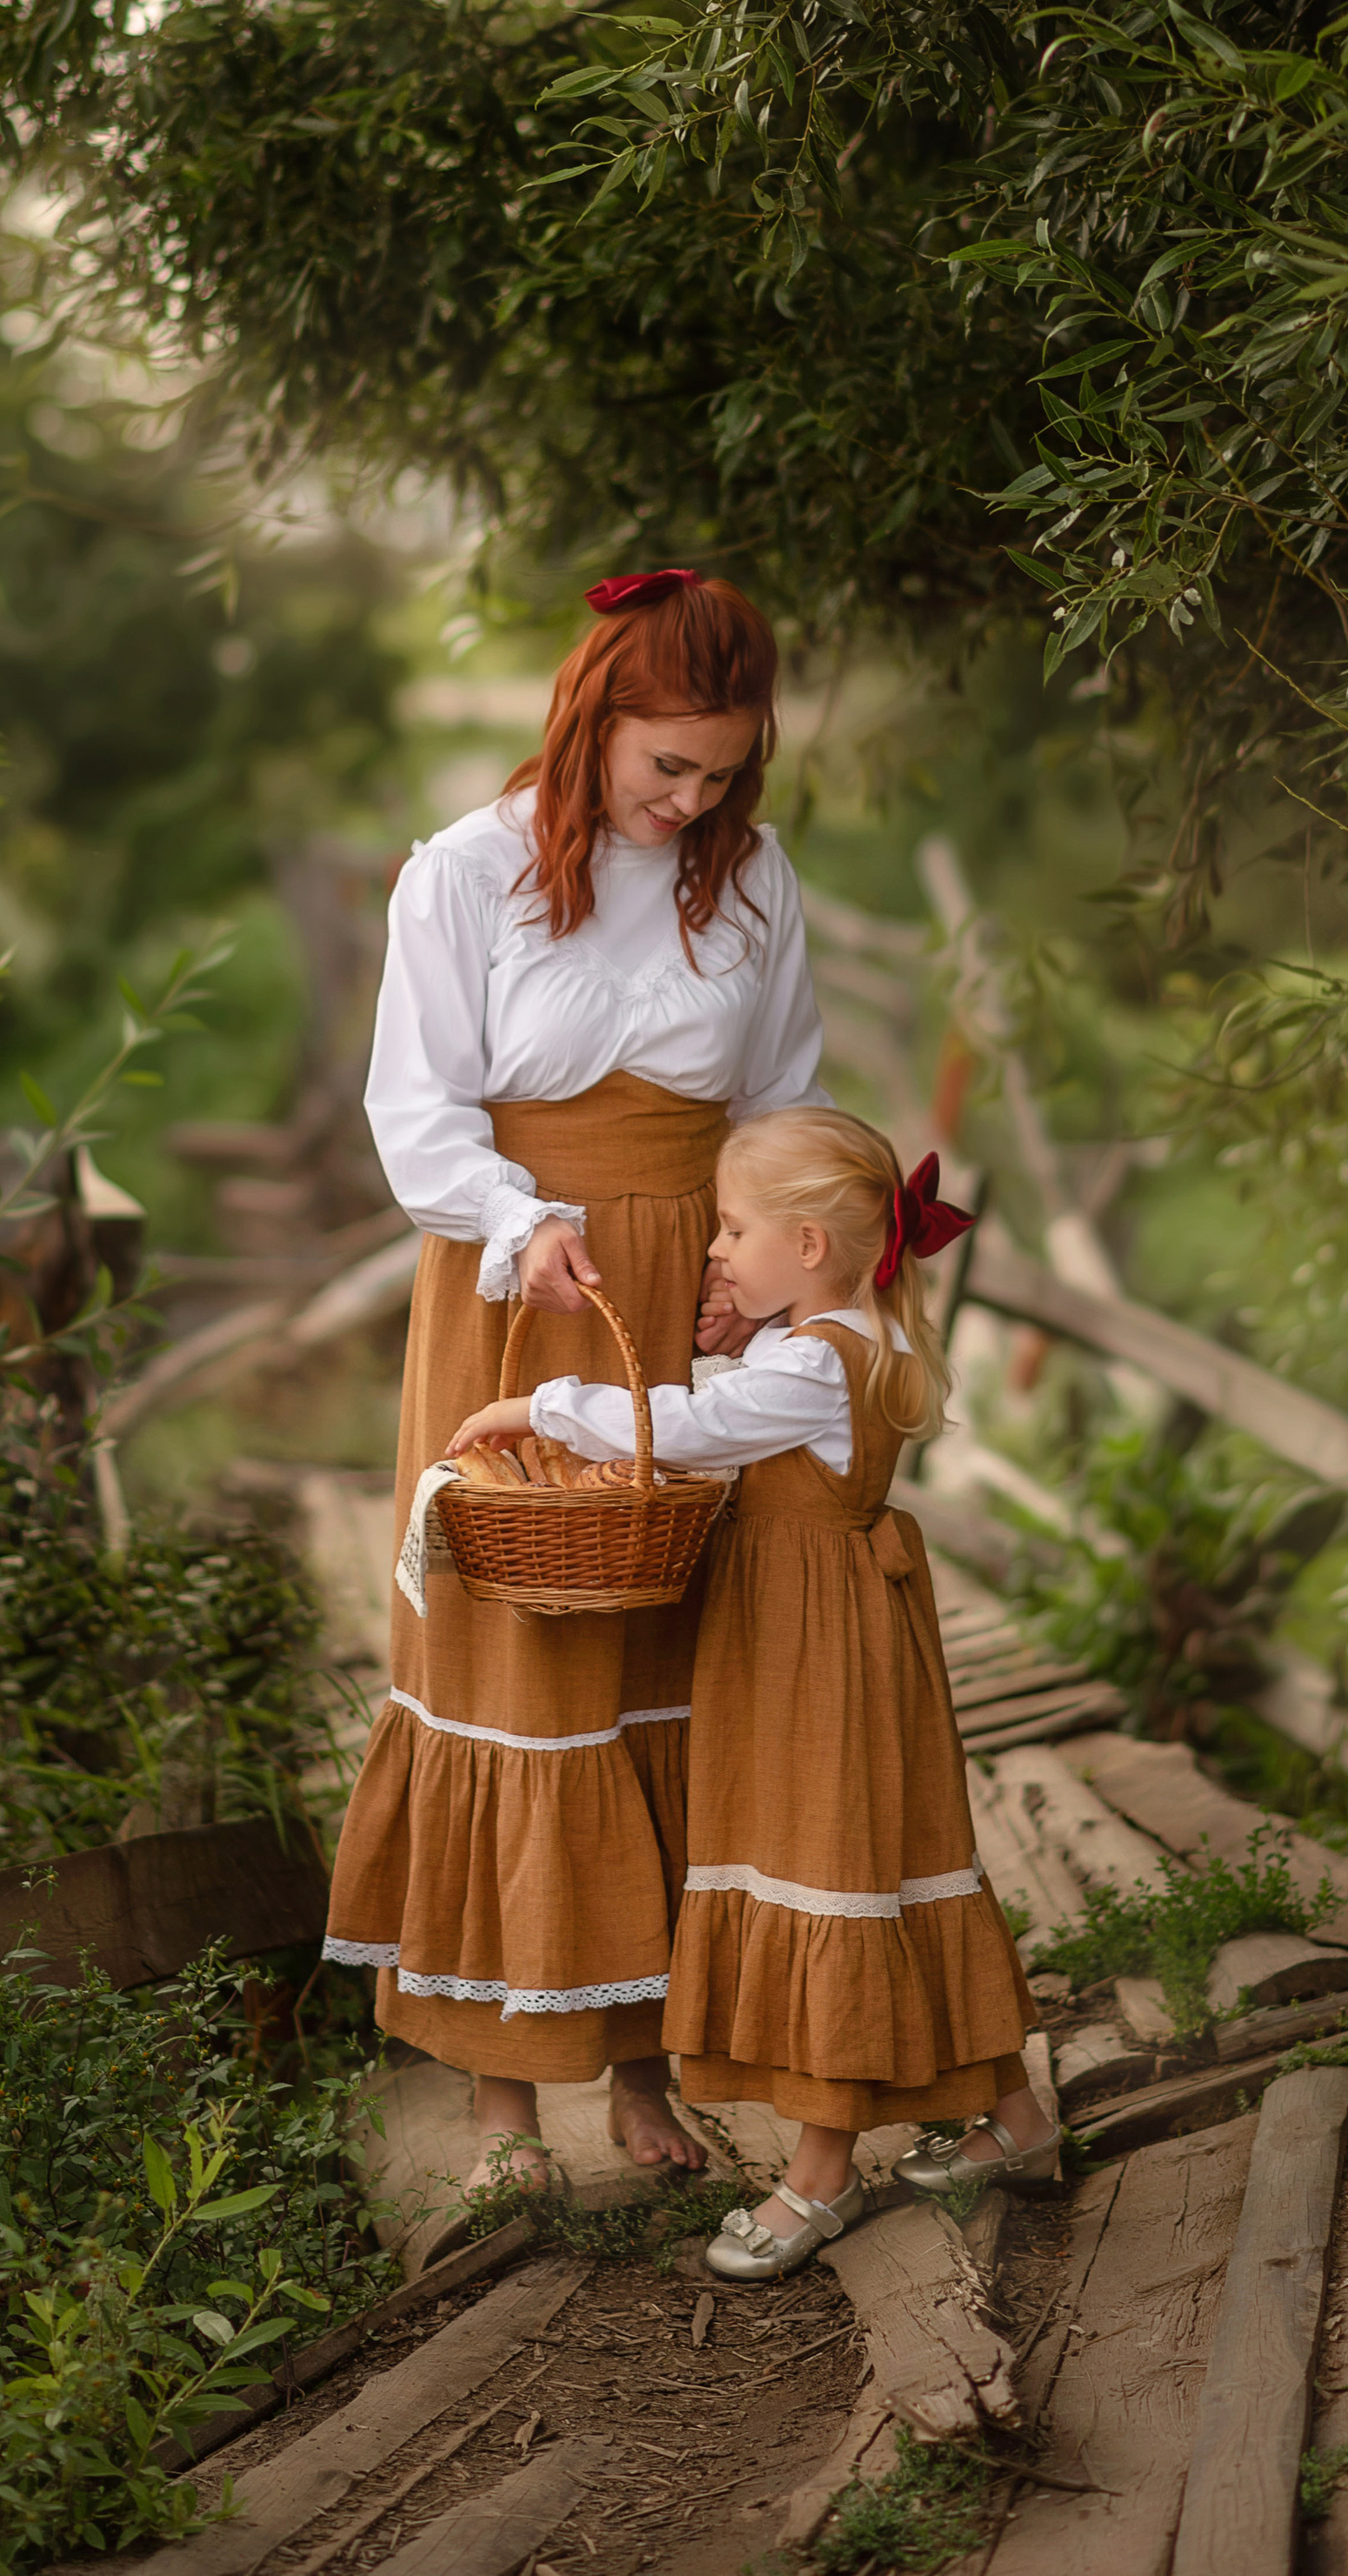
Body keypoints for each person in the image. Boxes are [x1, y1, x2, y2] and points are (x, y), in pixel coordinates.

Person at [321, 568, 826, 2196]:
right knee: (523, 1668)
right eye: (667, 765)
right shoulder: (464, 875)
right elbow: (419, 1114)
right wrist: (517, 1221)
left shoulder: (751, 883)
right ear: (594, 714)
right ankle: (498, 2115)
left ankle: (646, 2074)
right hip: (519, 1291)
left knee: (674, 1664)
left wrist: (760, 1291)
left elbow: (781, 1098)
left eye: (722, 772)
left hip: (684, 1299)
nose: (693, 800)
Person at [450, 1105, 1061, 2278]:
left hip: (811, 1655)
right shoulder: (839, 1339)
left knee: (822, 1866)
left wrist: (541, 1403)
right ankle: (1017, 2119)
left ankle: (820, 2174)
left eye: (733, 1229)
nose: (715, 1250)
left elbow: (691, 1423)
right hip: (831, 1634)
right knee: (887, 1870)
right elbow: (740, 1398)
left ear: (811, 1246)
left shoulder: (817, 1366)